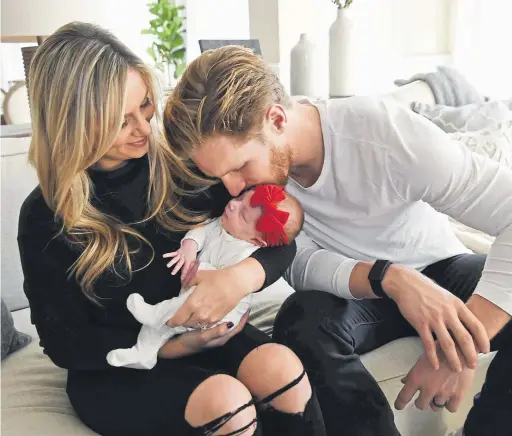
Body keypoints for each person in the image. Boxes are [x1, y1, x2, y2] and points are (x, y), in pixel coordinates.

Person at [163, 45, 512, 436]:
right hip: (358, 292)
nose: (232, 190)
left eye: (239, 167)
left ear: (276, 120)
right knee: (301, 320)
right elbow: (298, 263)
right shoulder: (241, 180)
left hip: (437, 267)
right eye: (220, 176)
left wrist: (460, 348)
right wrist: (388, 278)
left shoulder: (383, 134)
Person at [18, 23, 326, 436]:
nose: (145, 129)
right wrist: (174, 347)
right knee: (227, 406)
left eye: (145, 105)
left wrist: (238, 279)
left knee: (283, 370)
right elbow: (62, 341)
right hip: (122, 365)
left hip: (209, 335)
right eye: (121, 121)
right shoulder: (44, 215)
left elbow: (279, 236)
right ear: (72, 124)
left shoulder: (185, 170)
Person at [107, 185, 304, 370]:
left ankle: (156, 316)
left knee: (169, 312)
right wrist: (189, 248)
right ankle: (144, 354)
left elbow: (222, 285)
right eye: (240, 197)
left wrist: (204, 271)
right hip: (189, 301)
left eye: (242, 215)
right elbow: (201, 230)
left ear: (256, 240)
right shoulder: (223, 224)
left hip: (219, 314)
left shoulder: (246, 251)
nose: (233, 205)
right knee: (158, 326)